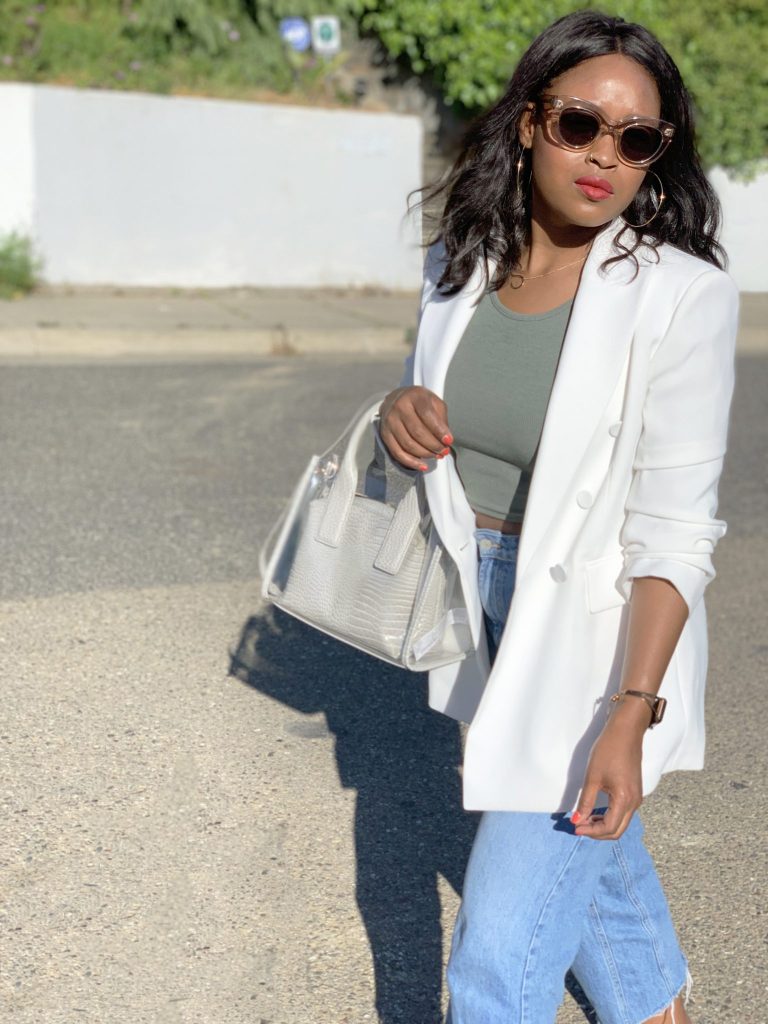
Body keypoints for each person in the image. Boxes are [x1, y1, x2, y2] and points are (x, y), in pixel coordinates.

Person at [378, 10, 738, 1024]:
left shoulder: (679, 297)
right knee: (593, 856)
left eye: (638, 140)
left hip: (591, 641)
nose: (605, 157)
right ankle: (655, 1004)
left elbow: (677, 530)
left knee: (497, 956)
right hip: (480, 601)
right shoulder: (462, 257)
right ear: (532, 120)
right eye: (582, 123)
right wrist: (399, 407)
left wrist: (630, 712)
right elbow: (436, 399)